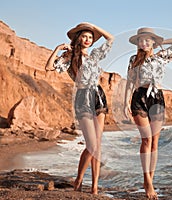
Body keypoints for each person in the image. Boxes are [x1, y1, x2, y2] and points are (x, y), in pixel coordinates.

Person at [45, 22, 114, 194]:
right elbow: (49, 67)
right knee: (91, 145)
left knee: (97, 145)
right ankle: (79, 180)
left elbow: (110, 39)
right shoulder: (69, 57)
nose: (88, 40)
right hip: (83, 98)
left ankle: (95, 187)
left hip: (98, 96)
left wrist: (93, 26)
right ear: (78, 38)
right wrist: (57, 49)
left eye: (90, 37)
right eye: (84, 36)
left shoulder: (94, 56)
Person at [124, 27, 172, 199]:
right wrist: (125, 103)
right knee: (146, 139)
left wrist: (158, 43)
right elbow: (129, 82)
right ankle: (147, 181)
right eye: (141, 40)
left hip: (157, 98)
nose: (143, 43)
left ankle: (151, 178)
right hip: (139, 97)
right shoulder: (133, 59)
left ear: (152, 42)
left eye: (147, 40)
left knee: (155, 143)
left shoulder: (161, 57)